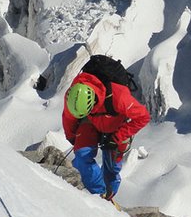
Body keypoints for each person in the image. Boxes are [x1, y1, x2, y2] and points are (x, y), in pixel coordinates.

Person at [62, 66, 150, 207]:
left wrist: (117, 137)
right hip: (90, 121)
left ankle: (108, 196)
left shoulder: (119, 96)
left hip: (116, 126)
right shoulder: (72, 97)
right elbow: (69, 118)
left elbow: (143, 116)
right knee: (82, 155)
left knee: (112, 168)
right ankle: (99, 193)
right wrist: (73, 138)